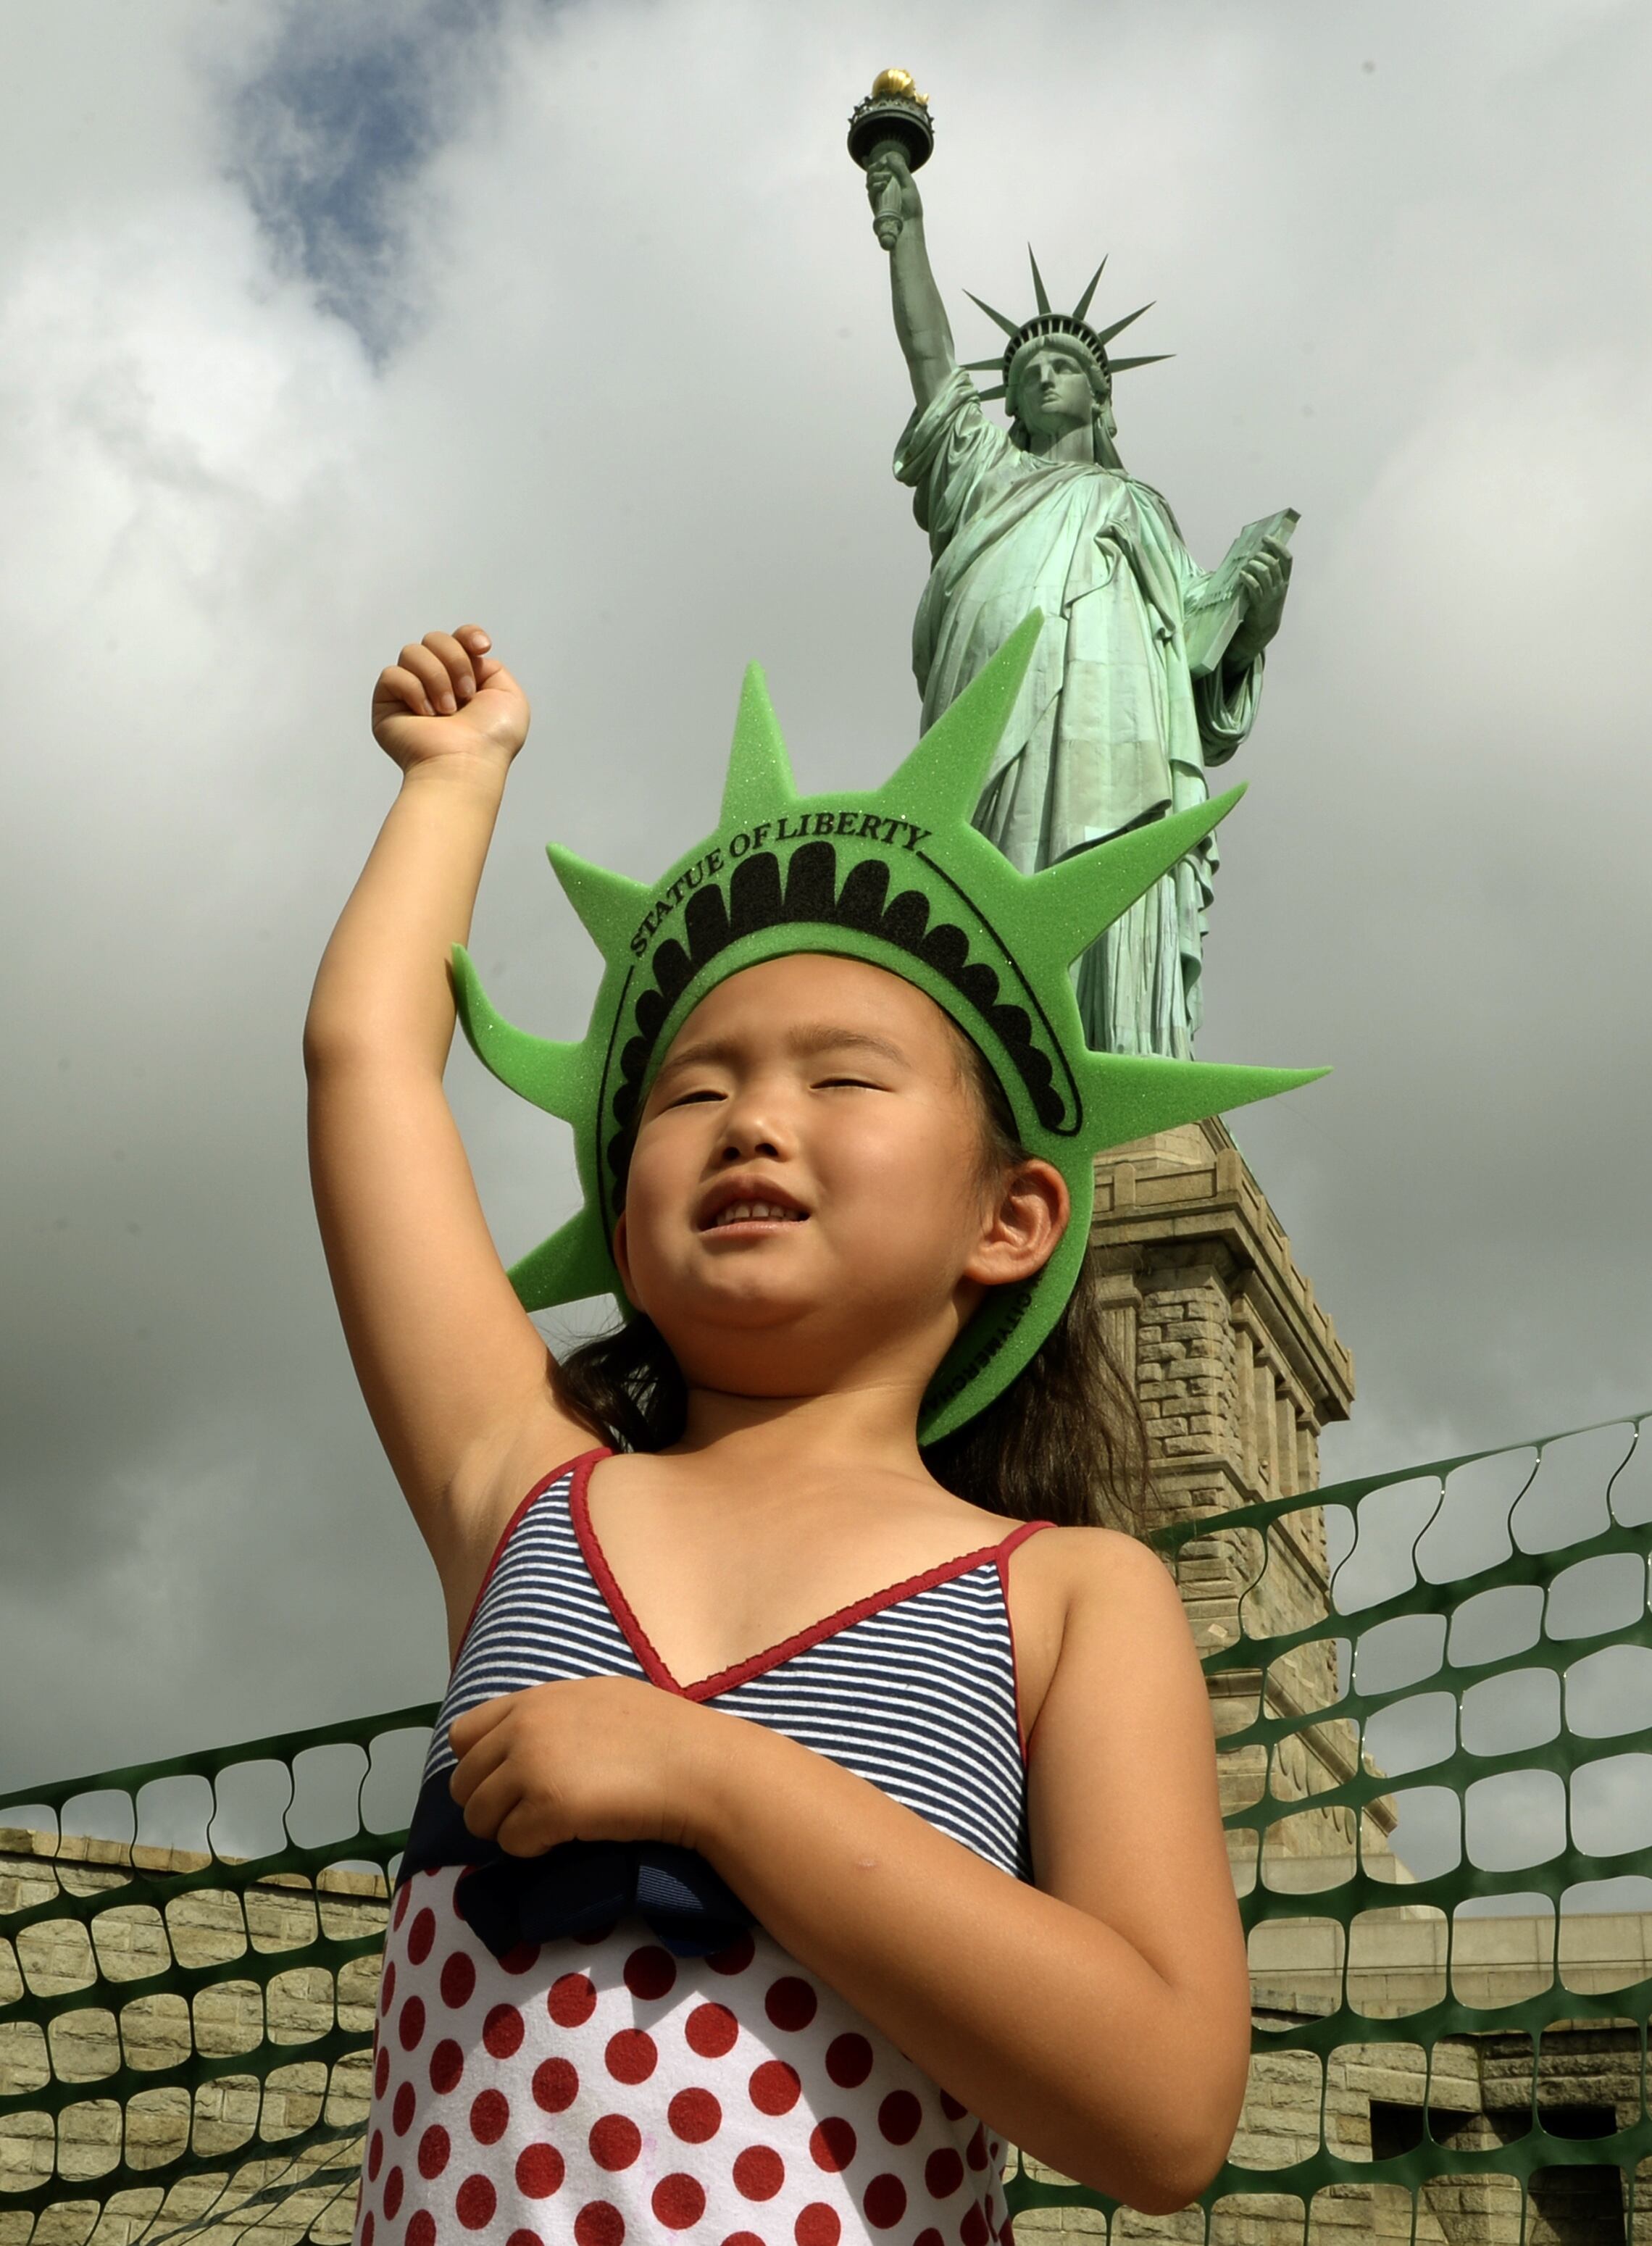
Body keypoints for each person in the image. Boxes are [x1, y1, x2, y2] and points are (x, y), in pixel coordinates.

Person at [306, 622, 1263, 2246]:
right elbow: (366, 1063)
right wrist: (454, 782)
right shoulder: (524, 1481)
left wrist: (716, 1779)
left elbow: (1166, 2105)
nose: (753, 1114)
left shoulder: (1073, 1593)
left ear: (1014, 1212)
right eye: (692, 1091)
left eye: (845, 1078)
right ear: (625, 1207)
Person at [867, 147, 1293, 1060]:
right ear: (1010, 404)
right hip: (992, 719)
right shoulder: (982, 477)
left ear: (1100, 398)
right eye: (1025, 371)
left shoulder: (1140, 508)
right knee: (989, 892)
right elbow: (933, 360)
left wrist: (1252, 614)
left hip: (1120, 732)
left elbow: (1200, 650)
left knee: (1119, 874)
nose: (1042, 377)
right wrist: (908, 236)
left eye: (1062, 366)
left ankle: (1124, 1072)